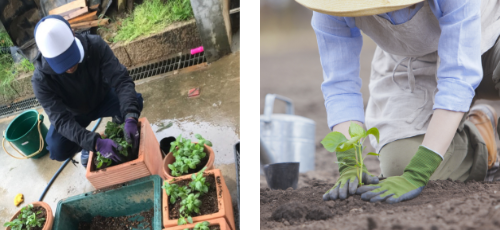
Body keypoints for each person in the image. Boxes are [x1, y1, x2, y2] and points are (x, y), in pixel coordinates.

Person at [295, 0, 500, 203]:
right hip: (412, 59)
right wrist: (350, 161)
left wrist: (419, 171)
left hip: (489, 36)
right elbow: (340, 85)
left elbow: (458, 77)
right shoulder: (331, 5)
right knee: (400, 163)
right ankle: (481, 135)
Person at [32, 15, 143, 167]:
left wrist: (130, 115)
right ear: (44, 54)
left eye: (70, 57)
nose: (70, 67)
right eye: (62, 63)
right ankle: (88, 147)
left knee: (135, 102)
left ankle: (120, 119)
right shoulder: (41, 80)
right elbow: (61, 120)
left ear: (72, 33)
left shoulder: (94, 45)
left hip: (102, 98)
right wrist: (94, 143)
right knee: (57, 148)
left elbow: (121, 80)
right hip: (74, 114)